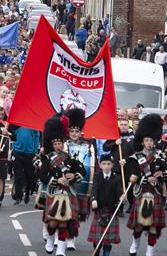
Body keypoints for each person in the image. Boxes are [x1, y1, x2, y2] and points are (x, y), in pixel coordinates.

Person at [39, 116, 85, 256]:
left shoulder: (69, 158)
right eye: (56, 144)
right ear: (52, 144)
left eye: (60, 143)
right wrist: (56, 180)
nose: (58, 146)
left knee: (64, 222)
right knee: (52, 223)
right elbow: (42, 176)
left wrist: (73, 176)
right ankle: (50, 239)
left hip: (68, 192)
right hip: (53, 191)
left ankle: (60, 249)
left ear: (63, 142)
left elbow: (82, 171)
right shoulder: (47, 158)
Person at [126, 114, 167, 256]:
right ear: (142, 141)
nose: (149, 143)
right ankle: (135, 244)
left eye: (151, 140)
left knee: (152, 226)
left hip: (155, 193)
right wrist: (146, 179)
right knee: (139, 225)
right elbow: (131, 176)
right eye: (147, 140)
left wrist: (160, 176)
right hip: (142, 192)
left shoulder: (159, 157)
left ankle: (149, 252)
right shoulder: (135, 157)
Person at [65, 109, 93, 251]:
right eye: (72, 131)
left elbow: (93, 165)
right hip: (64, 183)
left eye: (77, 131)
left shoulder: (88, 146)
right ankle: (60, 236)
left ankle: (72, 239)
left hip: (82, 183)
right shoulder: (63, 145)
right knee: (64, 212)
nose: (74, 134)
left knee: (76, 213)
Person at [87, 154, 126, 256]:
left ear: (112, 165)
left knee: (108, 238)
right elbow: (94, 189)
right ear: (100, 165)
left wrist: (122, 197)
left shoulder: (117, 178)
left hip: (111, 210)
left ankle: (106, 253)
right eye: (104, 164)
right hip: (99, 208)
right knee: (97, 237)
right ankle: (96, 251)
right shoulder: (97, 176)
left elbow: (119, 192)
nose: (106, 166)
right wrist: (93, 200)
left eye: (109, 164)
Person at [11, 125, 40, 206]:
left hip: (30, 153)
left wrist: (35, 151)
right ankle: (18, 196)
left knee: (29, 176)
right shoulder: (16, 123)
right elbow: (12, 135)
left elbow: (37, 136)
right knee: (18, 175)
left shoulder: (33, 123)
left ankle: (27, 193)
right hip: (17, 151)